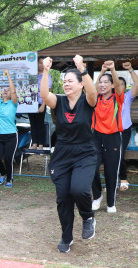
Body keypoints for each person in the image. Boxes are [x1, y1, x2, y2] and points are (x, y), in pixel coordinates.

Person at [41, 55, 98, 253]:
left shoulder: (87, 101)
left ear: (80, 84)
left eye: (70, 81)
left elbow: (93, 92)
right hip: (63, 154)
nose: (66, 84)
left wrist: (82, 68)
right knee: (63, 197)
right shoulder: (59, 101)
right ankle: (67, 236)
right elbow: (44, 95)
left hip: (85, 153)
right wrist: (46, 70)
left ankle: (87, 216)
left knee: (80, 190)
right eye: (64, 81)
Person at [92, 61, 124, 214]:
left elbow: (118, 86)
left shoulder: (117, 98)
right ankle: (97, 196)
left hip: (113, 138)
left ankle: (111, 203)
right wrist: (102, 72)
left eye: (106, 82)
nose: (102, 85)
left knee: (111, 172)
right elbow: (93, 87)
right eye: (101, 82)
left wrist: (112, 69)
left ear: (112, 86)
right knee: (91, 167)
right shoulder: (96, 98)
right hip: (96, 137)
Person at [0, 70, 18, 188]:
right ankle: (3, 174)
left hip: (11, 136)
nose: (6, 90)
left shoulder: (13, 103)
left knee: (8, 158)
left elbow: (14, 91)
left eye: (8, 90)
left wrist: (9, 75)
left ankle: (9, 179)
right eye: (4, 90)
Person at [114, 63, 137, 190]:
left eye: (122, 84)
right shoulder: (109, 97)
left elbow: (137, 84)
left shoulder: (128, 96)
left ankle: (123, 179)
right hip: (110, 131)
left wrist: (130, 69)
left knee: (119, 155)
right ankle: (112, 182)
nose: (119, 86)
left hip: (124, 130)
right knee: (111, 156)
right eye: (117, 84)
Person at [28, 57, 52, 150]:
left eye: (43, 63)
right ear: (36, 64)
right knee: (32, 124)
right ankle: (34, 144)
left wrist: (43, 105)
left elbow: (48, 92)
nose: (42, 65)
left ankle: (41, 144)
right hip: (31, 103)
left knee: (40, 124)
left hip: (40, 103)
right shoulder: (32, 75)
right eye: (40, 63)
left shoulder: (46, 76)